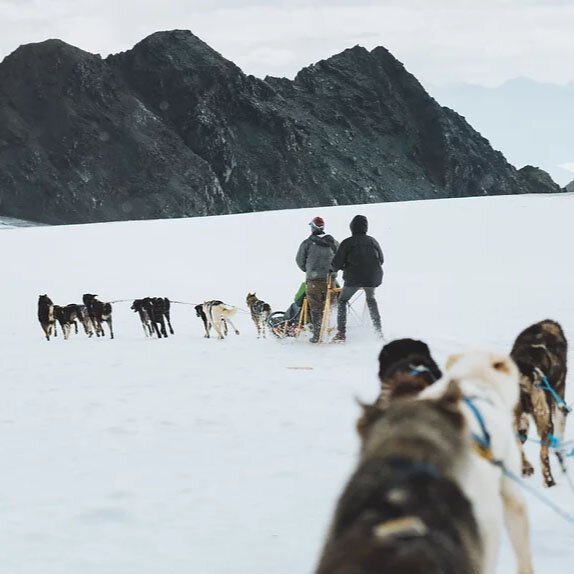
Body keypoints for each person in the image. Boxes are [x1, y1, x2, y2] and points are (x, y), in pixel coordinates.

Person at [331, 215, 383, 342]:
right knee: (371, 300)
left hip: (354, 278)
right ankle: (378, 331)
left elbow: (336, 263)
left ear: (352, 227)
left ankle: (341, 333)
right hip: (372, 278)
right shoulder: (373, 241)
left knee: (342, 301)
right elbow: (381, 259)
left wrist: (337, 269)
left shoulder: (347, 242)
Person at [296, 216, 339, 343]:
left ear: (313, 228)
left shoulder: (307, 243)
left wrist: (308, 270)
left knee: (315, 307)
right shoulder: (334, 243)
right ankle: (331, 329)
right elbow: (340, 258)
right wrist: (332, 271)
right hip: (329, 280)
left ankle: (317, 334)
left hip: (314, 280)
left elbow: (299, 261)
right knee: (330, 305)